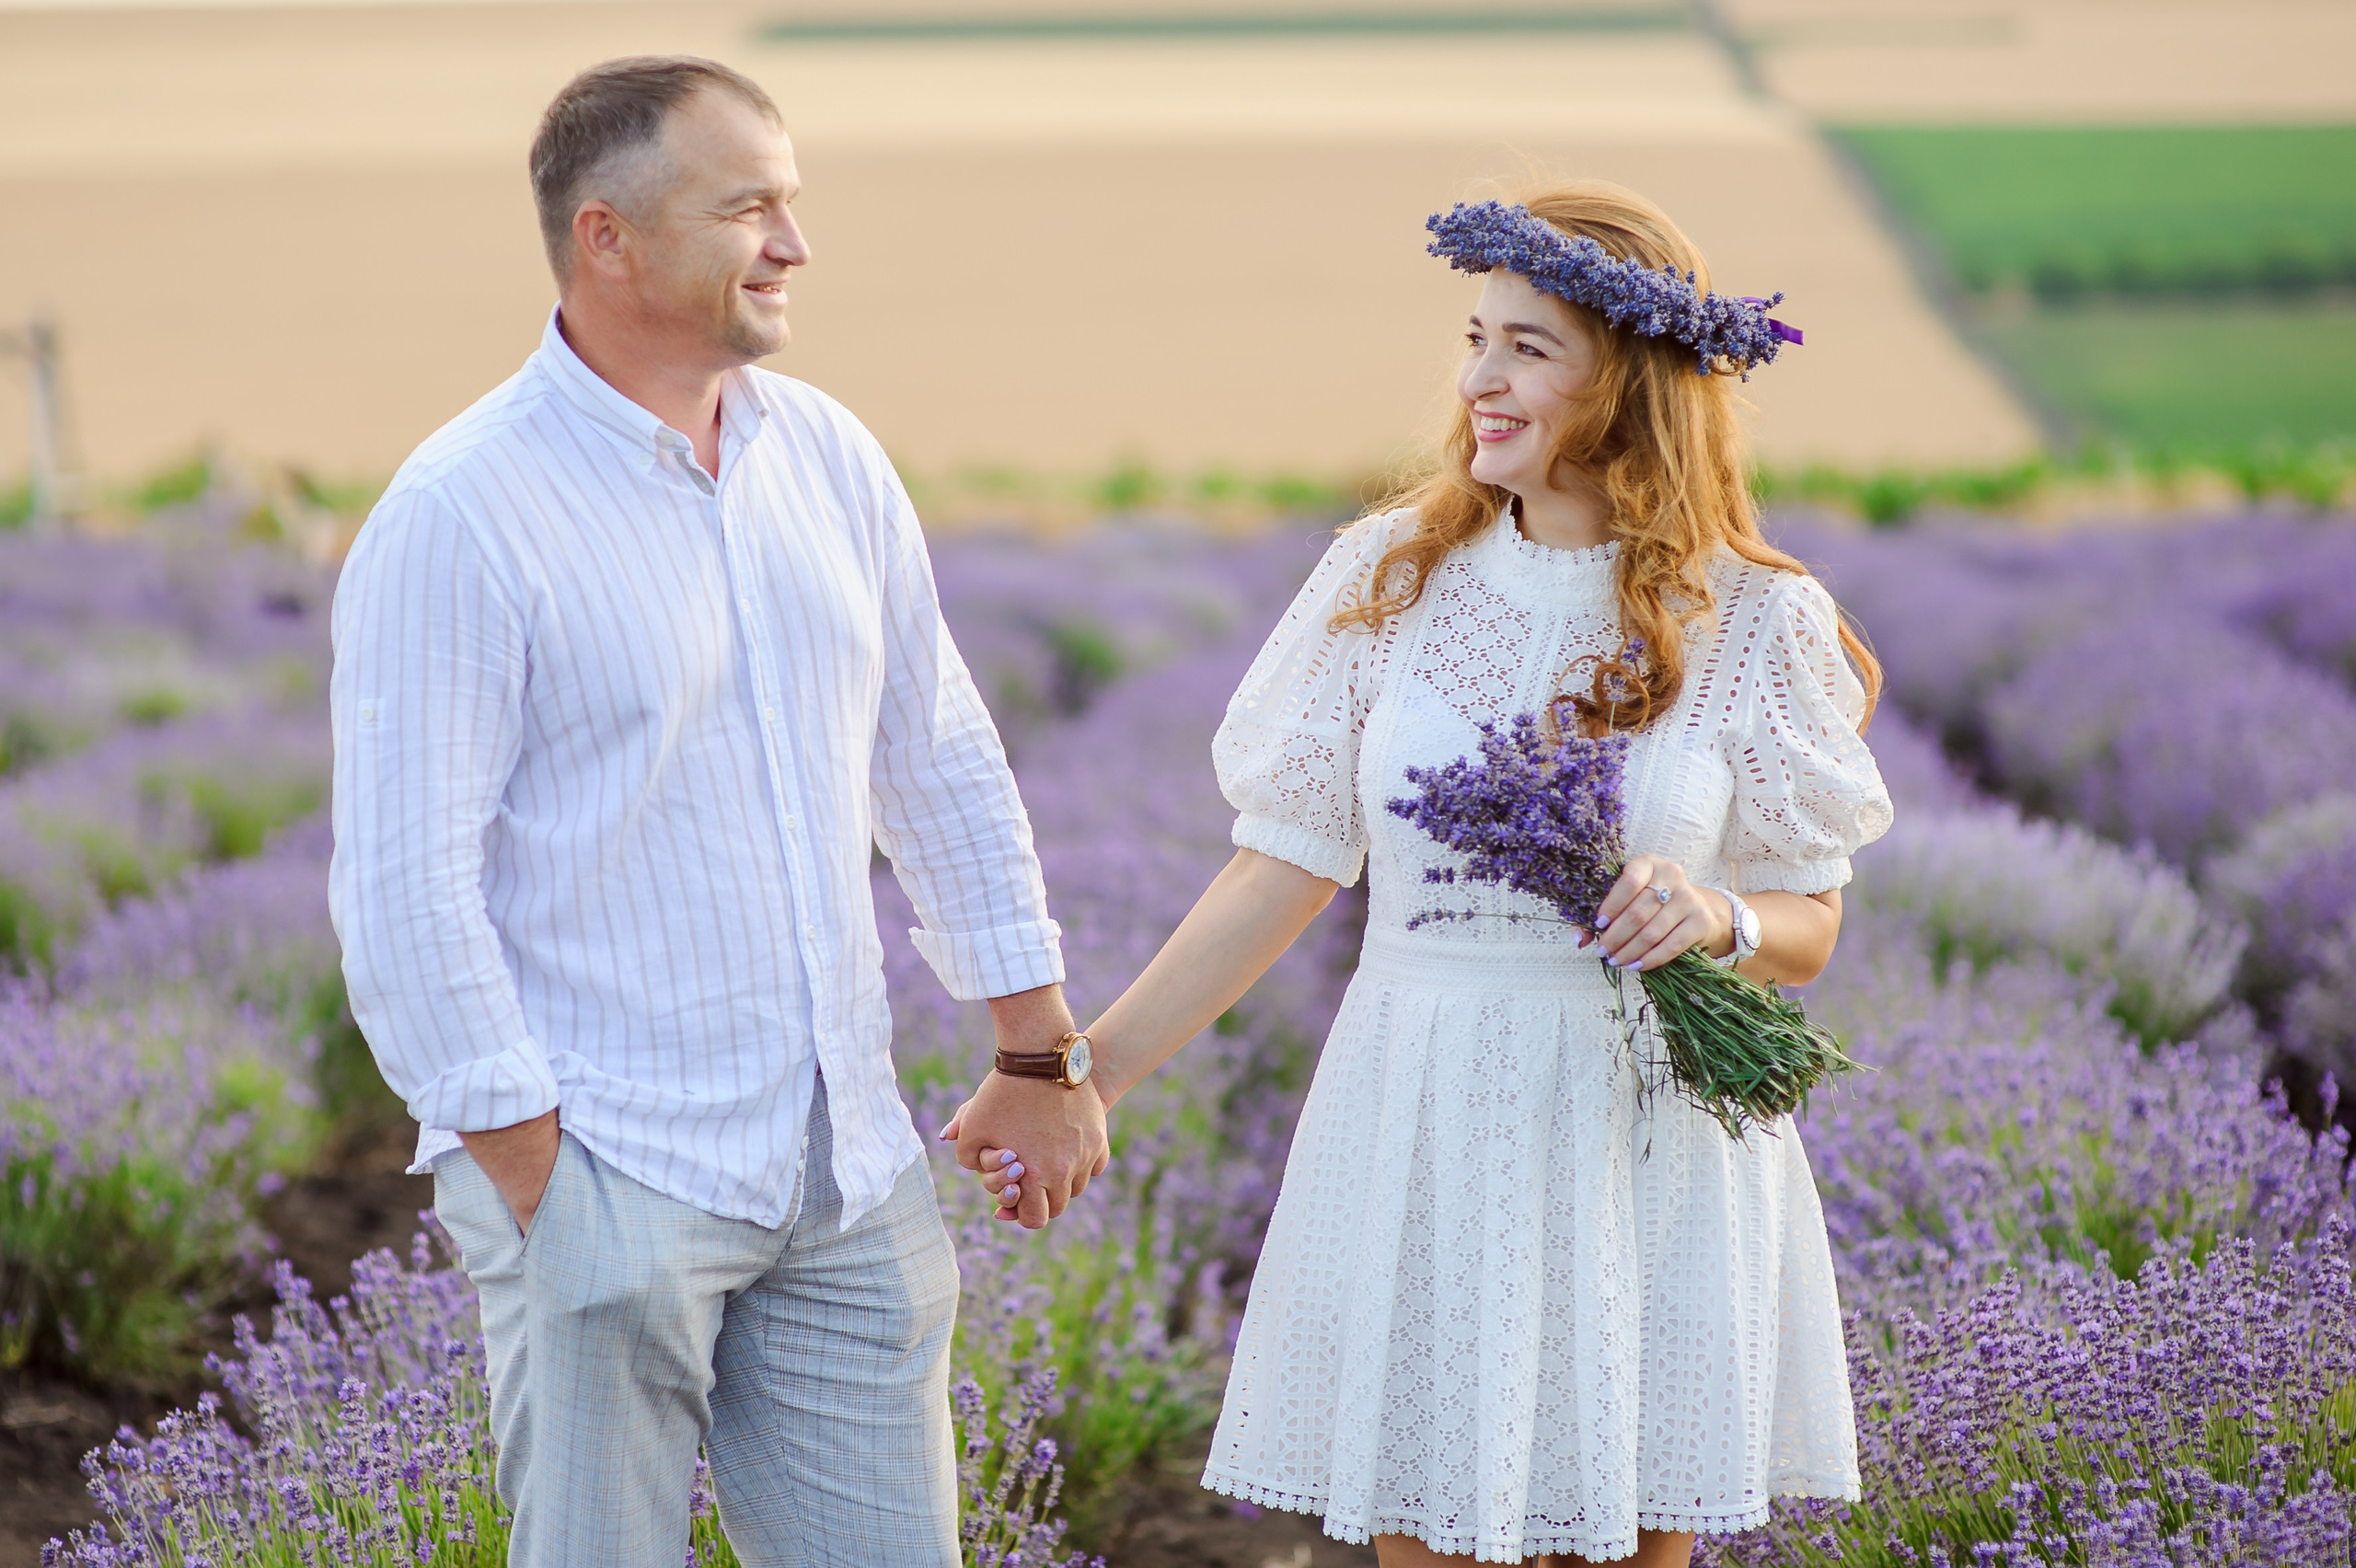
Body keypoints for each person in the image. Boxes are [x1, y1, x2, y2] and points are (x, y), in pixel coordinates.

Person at [952, 182, 1893, 1565]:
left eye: (1526, 347)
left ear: (1627, 384)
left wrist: (1719, 913)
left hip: (1647, 1133)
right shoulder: (1389, 575)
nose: (1476, 380)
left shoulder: (1754, 615)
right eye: (1474, 337)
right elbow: (1281, 869)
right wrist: (1072, 1076)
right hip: (1429, 1111)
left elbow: (1807, 927)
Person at [328, 55, 1108, 1567]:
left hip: (844, 1167)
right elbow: (404, 887)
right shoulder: (461, 511)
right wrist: (541, 1179)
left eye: (793, 203)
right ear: (606, 236)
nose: (795, 246)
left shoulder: (826, 456)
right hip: (608, 1170)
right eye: (749, 207)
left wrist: (1036, 1044)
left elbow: (937, 756)